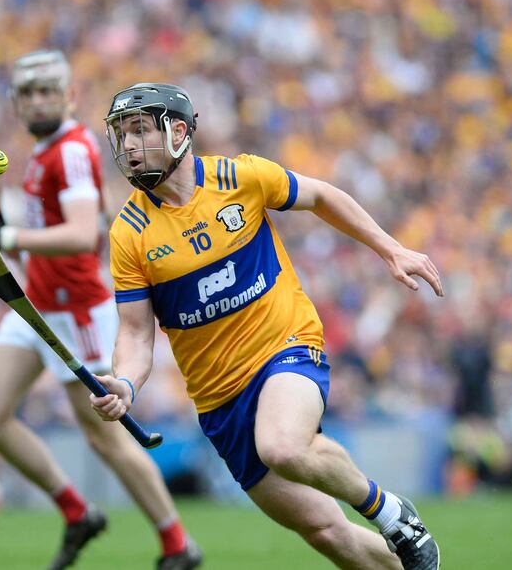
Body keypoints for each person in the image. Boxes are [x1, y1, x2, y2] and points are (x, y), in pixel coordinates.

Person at [91, 83, 444, 570]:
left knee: (281, 445)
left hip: (286, 347)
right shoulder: (129, 233)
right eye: (121, 135)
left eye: (139, 131)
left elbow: (320, 195)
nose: (127, 146)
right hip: (219, 400)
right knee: (325, 532)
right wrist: (126, 383)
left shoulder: (241, 177)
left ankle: (391, 511)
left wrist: (391, 248)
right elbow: (134, 334)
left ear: (177, 132)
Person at [0, 54, 202, 570]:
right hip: (37, 304)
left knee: (105, 438)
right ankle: (78, 513)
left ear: (70, 95)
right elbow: (45, 230)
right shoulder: (42, 152)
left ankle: (178, 544)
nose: (38, 102)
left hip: (75, 312)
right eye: (27, 94)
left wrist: (2, 235)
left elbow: (79, 235)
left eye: (48, 91)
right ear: (16, 103)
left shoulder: (71, 150)